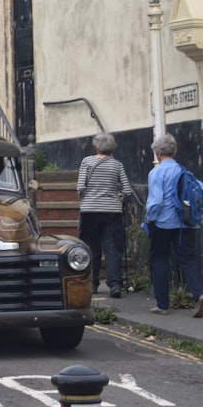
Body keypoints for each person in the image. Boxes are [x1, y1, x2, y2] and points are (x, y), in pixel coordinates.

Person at [143, 133, 203, 316]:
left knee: (160, 261)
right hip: (185, 223)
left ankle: (162, 305)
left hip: (161, 224)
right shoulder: (184, 171)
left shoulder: (156, 172)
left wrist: (149, 218)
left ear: (159, 152)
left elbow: (156, 201)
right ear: (174, 151)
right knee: (188, 261)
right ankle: (199, 295)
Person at [76, 132, 133, 298]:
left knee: (91, 249)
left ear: (95, 146)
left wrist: (89, 197)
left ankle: (92, 284)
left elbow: (80, 188)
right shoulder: (117, 165)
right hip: (112, 211)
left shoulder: (86, 162)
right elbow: (127, 190)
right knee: (112, 249)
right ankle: (115, 284)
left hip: (89, 210)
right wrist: (119, 198)